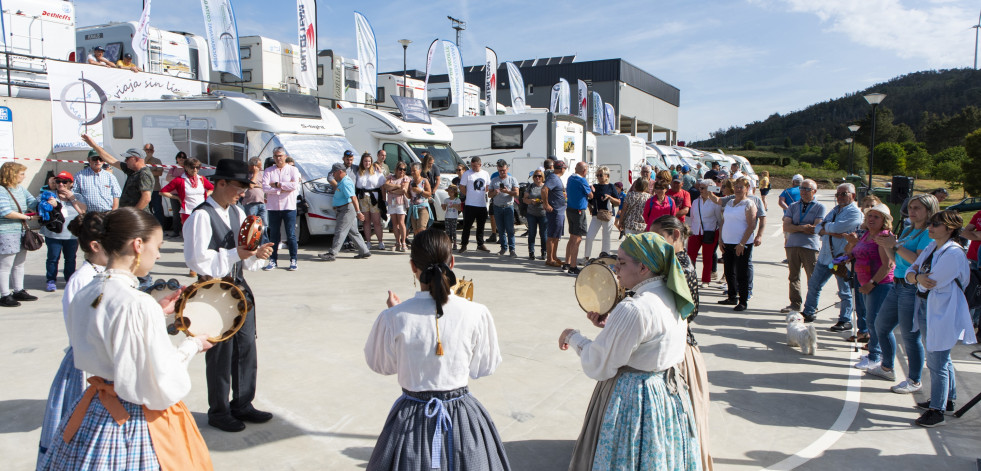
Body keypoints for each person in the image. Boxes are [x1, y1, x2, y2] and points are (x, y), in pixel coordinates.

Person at [39, 207, 213, 470]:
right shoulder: (136, 303)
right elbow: (157, 378)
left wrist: (155, 309)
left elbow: (106, 328)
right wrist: (194, 344)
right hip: (132, 421)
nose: (158, 253)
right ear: (138, 244)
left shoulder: (87, 289)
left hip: (92, 411)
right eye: (158, 245)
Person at [364, 229, 511, 470]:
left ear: (413, 266)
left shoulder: (393, 317)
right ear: (452, 263)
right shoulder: (477, 313)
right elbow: (484, 367)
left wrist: (395, 314)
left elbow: (381, 365)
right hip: (462, 420)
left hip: (409, 421)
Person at [560, 232, 700, 471]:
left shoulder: (635, 307)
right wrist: (611, 328)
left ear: (644, 267)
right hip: (665, 394)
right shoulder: (671, 295)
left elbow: (599, 363)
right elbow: (652, 340)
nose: (616, 268)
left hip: (635, 399)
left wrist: (572, 337)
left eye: (623, 263)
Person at [183, 159, 275, 433]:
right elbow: (199, 261)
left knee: (246, 348)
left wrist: (256, 255)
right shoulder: (201, 216)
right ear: (221, 183)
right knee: (220, 354)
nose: (243, 192)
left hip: (239, 289)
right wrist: (238, 253)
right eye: (240, 186)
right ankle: (219, 410)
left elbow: (244, 259)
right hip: (213, 295)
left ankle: (243, 403)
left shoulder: (236, 212)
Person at [36, 212, 106, 468]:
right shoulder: (83, 280)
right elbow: (78, 329)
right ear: (96, 246)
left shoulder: (104, 274)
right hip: (86, 365)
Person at [650, 215, 713, 471]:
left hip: (676, 348)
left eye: (658, 238)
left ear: (675, 236)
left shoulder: (680, 267)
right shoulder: (672, 261)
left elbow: (688, 312)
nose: (653, 244)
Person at [906, 210, 977, 427]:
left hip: (943, 309)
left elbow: (932, 281)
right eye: (931, 223)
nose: (930, 227)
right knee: (940, 358)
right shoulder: (931, 247)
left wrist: (916, 277)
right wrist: (917, 276)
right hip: (927, 306)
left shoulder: (954, 253)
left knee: (936, 360)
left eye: (936, 224)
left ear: (950, 228)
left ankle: (936, 411)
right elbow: (912, 273)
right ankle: (947, 401)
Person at [873, 194, 939, 394]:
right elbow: (896, 258)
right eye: (910, 207)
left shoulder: (928, 233)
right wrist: (887, 246)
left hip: (912, 287)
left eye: (917, 208)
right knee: (881, 326)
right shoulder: (910, 229)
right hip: (898, 284)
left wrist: (895, 245)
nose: (912, 211)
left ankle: (914, 379)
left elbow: (917, 261)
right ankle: (887, 366)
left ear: (929, 210)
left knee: (911, 336)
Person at [800, 183, 863, 327]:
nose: (840, 197)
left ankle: (845, 320)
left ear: (852, 196)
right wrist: (830, 230)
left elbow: (835, 227)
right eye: (838, 194)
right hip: (825, 256)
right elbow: (818, 227)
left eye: (843, 194)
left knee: (844, 291)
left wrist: (826, 229)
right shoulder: (835, 210)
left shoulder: (854, 212)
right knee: (814, 284)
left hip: (841, 259)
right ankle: (809, 311)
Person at [844, 203, 895, 376]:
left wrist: (871, 283)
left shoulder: (883, 237)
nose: (871, 219)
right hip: (864, 282)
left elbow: (888, 265)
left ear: (885, 221)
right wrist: (851, 244)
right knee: (870, 319)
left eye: (876, 217)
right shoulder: (865, 234)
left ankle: (876, 356)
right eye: (870, 216)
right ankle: (873, 354)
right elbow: (850, 252)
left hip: (879, 284)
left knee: (875, 321)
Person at [781, 179, 826, 313]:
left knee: (812, 277)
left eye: (807, 189)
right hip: (792, 244)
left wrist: (795, 227)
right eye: (802, 189)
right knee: (793, 276)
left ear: (814, 191)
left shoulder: (819, 207)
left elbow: (815, 228)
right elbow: (786, 226)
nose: (804, 192)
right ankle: (795, 303)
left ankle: (811, 305)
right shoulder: (793, 206)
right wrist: (803, 227)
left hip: (810, 246)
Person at [0, 162, 41, 307]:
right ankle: (4, 295)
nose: (24, 176)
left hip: (21, 231)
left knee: (19, 263)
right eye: (21, 173)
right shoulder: (1, 191)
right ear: (12, 174)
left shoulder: (20, 189)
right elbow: (5, 212)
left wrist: (47, 200)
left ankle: (18, 290)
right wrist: (28, 217)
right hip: (6, 232)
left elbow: (33, 203)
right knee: (5, 265)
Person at [83, 135, 153, 214]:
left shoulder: (144, 174)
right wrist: (94, 145)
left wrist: (132, 214)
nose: (125, 160)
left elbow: (146, 198)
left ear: (136, 159)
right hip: (130, 215)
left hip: (138, 218)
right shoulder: (132, 170)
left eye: (127, 158)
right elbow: (111, 160)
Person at [41, 172, 87, 292]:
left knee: (70, 258)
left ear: (71, 184)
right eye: (58, 181)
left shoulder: (78, 196)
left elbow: (82, 211)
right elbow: (39, 207)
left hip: (71, 234)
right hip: (53, 234)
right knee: (53, 258)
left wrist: (72, 198)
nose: (61, 184)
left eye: (64, 181)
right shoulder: (49, 195)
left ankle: (69, 280)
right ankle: (51, 280)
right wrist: (50, 204)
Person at [718, 177, 758, 311]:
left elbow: (751, 225)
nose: (738, 189)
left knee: (742, 272)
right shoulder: (729, 202)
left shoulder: (749, 204)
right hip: (728, 241)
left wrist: (742, 243)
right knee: (729, 271)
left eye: (741, 187)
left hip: (741, 243)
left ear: (747, 189)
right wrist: (720, 239)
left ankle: (743, 300)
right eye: (736, 186)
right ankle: (731, 296)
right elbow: (723, 221)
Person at [319, 164, 370, 261]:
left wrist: (358, 212)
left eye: (334, 172)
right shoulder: (342, 181)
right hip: (345, 209)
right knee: (353, 232)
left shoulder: (345, 182)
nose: (333, 175)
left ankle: (332, 253)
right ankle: (364, 251)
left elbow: (353, 197)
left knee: (340, 231)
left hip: (346, 210)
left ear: (340, 172)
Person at [262, 147, 301, 271]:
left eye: (280, 156)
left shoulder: (293, 169)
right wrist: (282, 189)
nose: (278, 158)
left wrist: (278, 185)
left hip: (289, 207)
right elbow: (265, 187)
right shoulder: (268, 171)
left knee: (291, 234)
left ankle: (293, 259)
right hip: (273, 207)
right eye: (275, 156)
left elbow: (294, 185)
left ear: (285, 156)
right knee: (273, 235)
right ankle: (273, 260)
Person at [688, 179, 722, 286]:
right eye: (700, 188)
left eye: (702, 188)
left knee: (707, 257)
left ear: (709, 189)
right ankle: (690, 277)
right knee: (690, 255)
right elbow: (692, 217)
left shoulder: (715, 203)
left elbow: (719, 219)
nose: (700, 190)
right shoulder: (695, 201)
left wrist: (720, 235)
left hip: (710, 232)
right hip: (695, 231)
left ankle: (706, 280)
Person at [160, 158, 213, 224]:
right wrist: (177, 198)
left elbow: (212, 188)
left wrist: (205, 195)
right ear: (186, 167)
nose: (195, 170)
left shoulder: (201, 178)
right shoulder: (180, 180)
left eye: (197, 167)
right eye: (192, 167)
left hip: (202, 212)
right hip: (188, 212)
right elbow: (162, 192)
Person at [584, 166, 619, 261]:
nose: (598, 177)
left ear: (607, 176)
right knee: (589, 236)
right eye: (597, 175)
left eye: (600, 175)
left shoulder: (611, 186)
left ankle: (605, 257)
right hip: (597, 214)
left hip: (608, 215)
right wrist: (590, 207)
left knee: (606, 237)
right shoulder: (595, 186)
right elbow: (589, 199)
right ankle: (586, 257)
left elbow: (618, 202)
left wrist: (610, 197)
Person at [458, 157, 491, 253]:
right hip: (470, 204)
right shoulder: (467, 174)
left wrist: (481, 193)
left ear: (480, 165)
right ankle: (464, 244)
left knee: (481, 226)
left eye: (475, 166)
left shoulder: (485, 174)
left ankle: (480, 244)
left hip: (482, 204)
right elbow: (462, 186)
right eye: (472, 166)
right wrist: (469, 194)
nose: (473, 168)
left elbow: (488, 186)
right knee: (467, 226)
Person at [564, 162, 592, 274]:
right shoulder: (582, 180)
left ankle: (567, 262)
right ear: (584, 171)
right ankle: (573, 266)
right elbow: (590, 195)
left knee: (572, 237)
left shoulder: (570, 178)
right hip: (578, 211)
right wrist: (591, 190)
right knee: (577, 239)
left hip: (570, 209)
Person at [356, 152, 387, 249]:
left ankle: (380, 242)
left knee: (377, 221)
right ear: (362, 162)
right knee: (366, 221)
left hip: (375, 197)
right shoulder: (359, 172)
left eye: (369, 161)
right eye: (365, 161)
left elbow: (383, 186)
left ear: (371, 162)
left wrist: (384, 199)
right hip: (363, 198)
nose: (367, 163)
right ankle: (368, 242)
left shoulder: (377, 171)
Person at [489, 159, 519, 257]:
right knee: (501, 229)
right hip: (497, 207)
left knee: (510, 229)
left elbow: (517, 193)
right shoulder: (494, 180)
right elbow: (489, 195)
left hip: (508, 207)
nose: (502, 172)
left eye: (504, 170)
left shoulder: (512, 179)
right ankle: (503, 248)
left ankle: (512, 249)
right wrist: (495, 192)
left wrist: (507, 192)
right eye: (500, 170)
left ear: (507, 169)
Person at [542, 160, 568, 267]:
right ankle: (549, 259)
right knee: (552, 236)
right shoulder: (553, 178)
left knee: (556, 236)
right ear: (562, 169)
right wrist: (546, 204)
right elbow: (544, 189)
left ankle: (554, 256)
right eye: (565, 168)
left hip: (559, 211)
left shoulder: (556, 178)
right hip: (555, 211)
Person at [242, 157, 268, 246]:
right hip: (250, 203)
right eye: (259, 167)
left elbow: (264, 186)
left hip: (261, 203)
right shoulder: (246, 174)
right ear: (253, 166)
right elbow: (251, 185)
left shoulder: (261, 174)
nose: (260, 168)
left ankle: (264, 243)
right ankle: (252, 243)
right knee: (252, 225)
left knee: (264, 225)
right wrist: (255, 174)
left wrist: (257, 185)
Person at [522, 169, 548, 261]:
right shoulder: (530, 187)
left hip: (543, 213)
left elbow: (549, 199)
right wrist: (531, 201)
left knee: (543, 234)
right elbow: (524, 199)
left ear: (542, 178)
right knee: (532, 233)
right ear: (533, 178)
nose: (537, 178)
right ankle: (531, 252)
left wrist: (543, 201)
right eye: (536, 176)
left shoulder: (545, 187)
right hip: (532, 213)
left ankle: (544, 252)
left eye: (539, 176)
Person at [385, 162, 411, 252]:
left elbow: (404, 190)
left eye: (404, 169)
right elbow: (386, 186)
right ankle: (397, 241)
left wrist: (392, 190)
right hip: (392, 203)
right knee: (394, 224)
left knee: (401, 223)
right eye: (400, 169)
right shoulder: (390, 177)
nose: (402, 171)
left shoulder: (406, 178)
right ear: (396, 169)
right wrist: (397, 186)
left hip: (400, 203)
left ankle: (403, 241)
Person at [140, 143, 167, 227]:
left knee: (158, 208)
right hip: (143, 189)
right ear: (143, 150)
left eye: (150, 150)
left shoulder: (157, 161)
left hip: (155, 188)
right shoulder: (141, 160)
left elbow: (159, 172)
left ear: (153, 151)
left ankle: (160, 227)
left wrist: (147, 172)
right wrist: (147, 159)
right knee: (145, 208)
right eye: (147, 150)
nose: (149, 151)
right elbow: (139, 170)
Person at [165, 151, 188, 237]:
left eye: (183, 157)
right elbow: (168, 178)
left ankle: (185, 231)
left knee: (185, 213)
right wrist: (180, 179)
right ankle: (176, 231)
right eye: (179, 157)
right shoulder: (173, 168)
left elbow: (187, 179)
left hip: (184, 194)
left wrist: (175, 179)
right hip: (173, 194)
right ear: (176, 159)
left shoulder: (187, 169)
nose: (181, 159)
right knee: (175, 213)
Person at [408, 162, 433, 235]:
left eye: (414, 171)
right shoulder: (411, 182)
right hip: (413, 208)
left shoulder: (424, 181)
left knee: (421, 228)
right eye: (411, 170)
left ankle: (423, 245)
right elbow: (409, 196)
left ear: (420, 170)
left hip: (423, 207)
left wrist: (420, 191)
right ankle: (417, 245)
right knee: (415, 231)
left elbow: (429, 193)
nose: (412, 172)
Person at [442, 185, 462, 250]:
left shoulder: (457, 200)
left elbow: (459, 209)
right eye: (449, 192)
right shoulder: (446, 200)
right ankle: (449, 243)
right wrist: (443, 206)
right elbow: (444, 209)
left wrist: (455, 205)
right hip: (447, 217)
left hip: (454, 217)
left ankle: (455, 243)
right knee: (448, 231)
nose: (450, 193)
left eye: (451, 192)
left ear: (455, 192)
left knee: (453, 231)